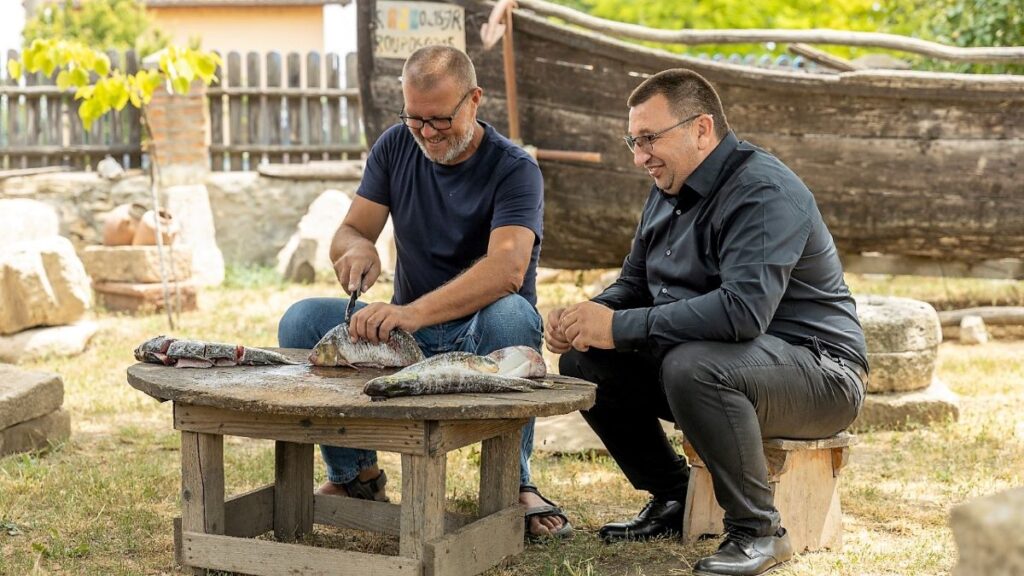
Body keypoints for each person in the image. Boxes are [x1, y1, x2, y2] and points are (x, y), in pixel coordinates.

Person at [546, 69, 867, 576]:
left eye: (650, 139)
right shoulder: (668, 185)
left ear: (701, 129)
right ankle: (673, 496)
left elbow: (742, 312)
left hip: (820, 374)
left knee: (692, 365)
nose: (640, 156)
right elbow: (635, 284)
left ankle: (758, 531)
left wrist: (619, 327)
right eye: (633, 141)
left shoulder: (763, 190)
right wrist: (586, 317)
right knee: (586, 361)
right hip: (725, 363)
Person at [277, 45, 571, 540]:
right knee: (301, 320)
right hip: (407, 336)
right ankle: (354, 476)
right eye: (415, 119)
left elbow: (507, 269)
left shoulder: (515, 168)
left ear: (474, 100)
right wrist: (357, 249)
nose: (428, 134)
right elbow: (351, 230)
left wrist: (411, 313)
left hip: (479, 333)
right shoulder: (395, 146)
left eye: (439, 120)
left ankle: (515, 482)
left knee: (516, 315)